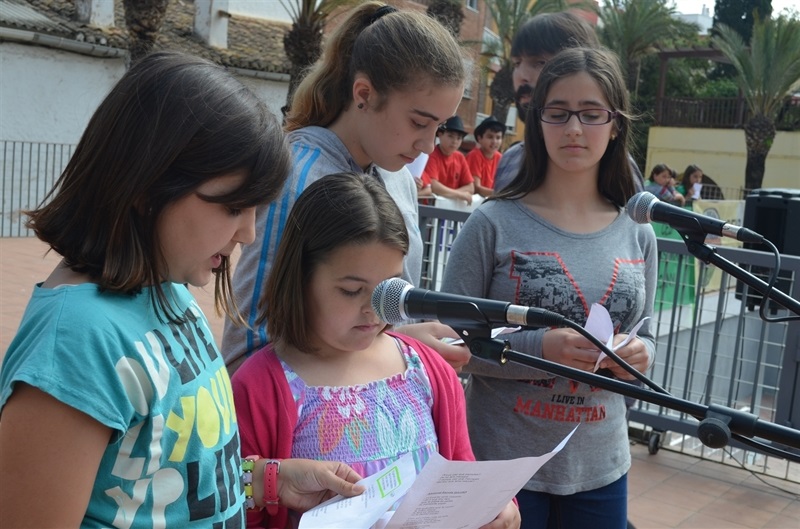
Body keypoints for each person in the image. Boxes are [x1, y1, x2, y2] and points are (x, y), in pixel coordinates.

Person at [0, 52, 369, 528]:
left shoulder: (167, 288)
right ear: (147, 186)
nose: (247, 233)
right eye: (233, 207)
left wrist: (267, 480)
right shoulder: (76, 343)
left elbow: (164, 479)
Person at [441, 47, 657, 528]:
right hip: (500, 468)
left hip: (602, 466)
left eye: (591, 114)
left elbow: (646, 333)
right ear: (537, 122)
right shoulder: (492, 223)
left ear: (616, 124)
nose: (574, 129)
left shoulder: (638, 231)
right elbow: (449, 344)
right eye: (558, 113)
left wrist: (641, 355)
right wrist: (541, 348)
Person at [232, 172, 520, 529]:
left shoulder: (426, 368)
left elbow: (462, 476)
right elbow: (238, 505)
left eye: (388, 290)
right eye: (352, 291)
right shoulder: (261, 386)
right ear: (301, 277)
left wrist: (496, 510)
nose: (374, 309)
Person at [223, 2, 470, 373]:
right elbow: (250, 349)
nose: (428, 146)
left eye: (440, 127)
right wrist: (401, 346)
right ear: (364, 94)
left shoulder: (399, 178)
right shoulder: (296, 177)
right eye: (419, 122)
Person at [492, 12, 600, 193]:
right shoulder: (510, 161)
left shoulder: (615, 171)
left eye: (540, 62)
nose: (522, 76)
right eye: (517, 63)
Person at [420, 115, 476, 203]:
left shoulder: (460, 157)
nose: (455, 141)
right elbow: (433, 186)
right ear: (440, 134)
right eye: (450, 136)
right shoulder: (431, 154)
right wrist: (460, 194)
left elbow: (471, 187)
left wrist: (449, 194)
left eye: (459, 138)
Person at [468, 115, 506, 197]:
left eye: (498, 138)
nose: (494, 141)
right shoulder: (474, 156)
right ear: (479, 138)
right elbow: (476, 188)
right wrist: (501, 194)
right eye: (490, 137)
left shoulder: (500, 158)